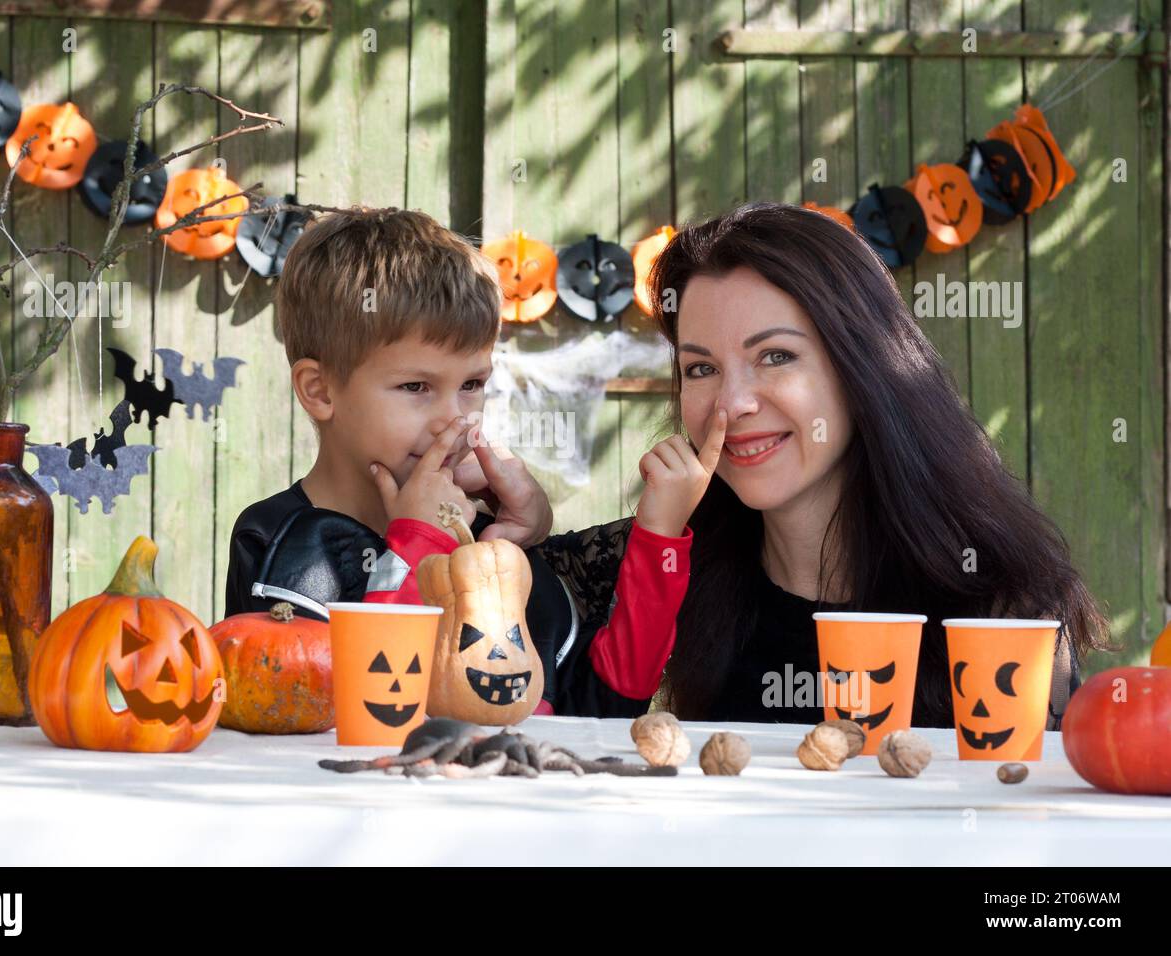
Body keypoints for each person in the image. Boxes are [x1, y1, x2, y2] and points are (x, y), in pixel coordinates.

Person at [537, 201, 1110, 727]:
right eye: (701, 368)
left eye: (776, 356)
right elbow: (476, 600)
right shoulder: (660, 561)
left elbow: (1032, 818)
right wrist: (515, 524)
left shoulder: (996, 602)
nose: (732, 405)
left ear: (862, 368)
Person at [224, 206, 716, 715]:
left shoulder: (489, 543)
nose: (452, 418)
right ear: (320, 390)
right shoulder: (276, 540)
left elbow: (608, 701)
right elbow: (359, 714)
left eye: (472, 385)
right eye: (415, 387)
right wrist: (417, 543)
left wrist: (658, 536)